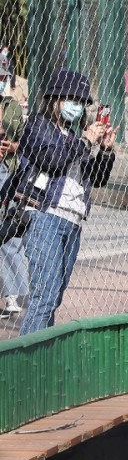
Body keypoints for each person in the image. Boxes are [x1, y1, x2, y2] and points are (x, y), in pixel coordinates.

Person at [12, 70, 116, 335]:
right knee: (44, 296)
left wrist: (104, 149)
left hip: (73, 221)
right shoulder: (36, 125)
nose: (77, 106)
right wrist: (85, 141)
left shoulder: (73, 136)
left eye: (81, 102)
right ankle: (26, 364)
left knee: (54, 298)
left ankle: (42, 360)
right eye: (72, 99)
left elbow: (98, 178)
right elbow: (52, 161)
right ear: (55, 99)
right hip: (45, 215)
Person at [0, 57, 27, 318]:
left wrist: (12, 147)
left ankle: (13, 296)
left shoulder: (12, 108)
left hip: (5, 172)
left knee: (7, 233)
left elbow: (26, 142)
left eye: (2, 77)